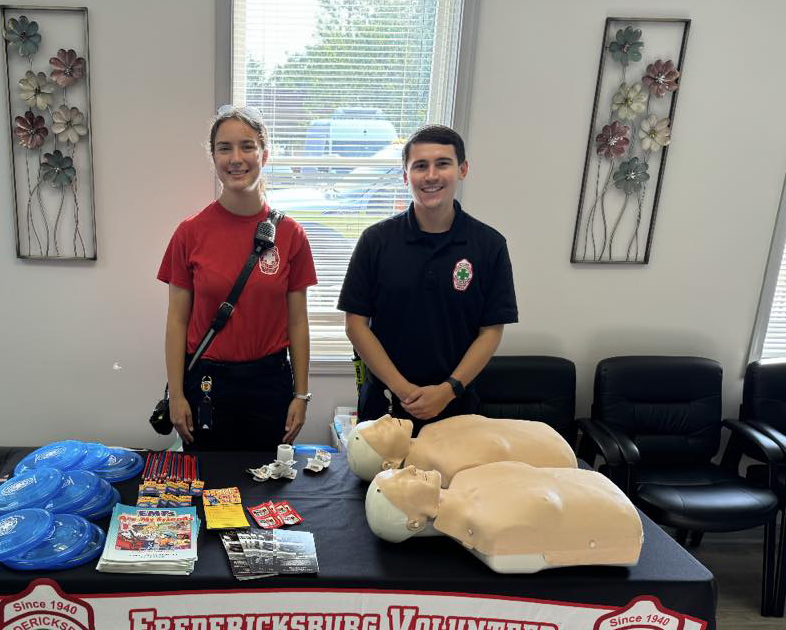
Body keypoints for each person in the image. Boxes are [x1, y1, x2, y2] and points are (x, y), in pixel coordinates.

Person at [157, 106, 317, 451]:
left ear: (265, 154)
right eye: (224, 148)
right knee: (210, 488)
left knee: (266, 491)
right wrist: (176, 394)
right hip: (207, 383)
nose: (236, 158)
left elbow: (298, 322)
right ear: (212, 157)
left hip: (270, 381)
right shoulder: (190, 233)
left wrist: (301, 394)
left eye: (247, 146)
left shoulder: (290, 234)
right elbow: (176, 322)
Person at [338, 125, 518, 432]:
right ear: (405, 175)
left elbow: (490, 331)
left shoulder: (489, 245)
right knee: (377, 482)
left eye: (442, 163)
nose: (431, 175)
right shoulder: (376, 241)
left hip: (456, 406)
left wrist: (447, 390)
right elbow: (356, 325)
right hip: (385, 406)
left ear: (462, 169)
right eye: (420, 166)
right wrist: (404, 390)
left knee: (455, 482)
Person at [364, 463, 643, 573]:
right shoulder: (494, 531)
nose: (409, 467)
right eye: (402, 481)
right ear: (415, 522)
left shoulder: (466, 477)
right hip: (613, 514)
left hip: (602, 495)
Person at [346, 413, 577, 484]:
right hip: (557, 460)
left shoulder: (430, 430)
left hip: (546, 438)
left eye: (376, 421)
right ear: (390, 464)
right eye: (378, 430)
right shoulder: (446, 469)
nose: (385, 417)